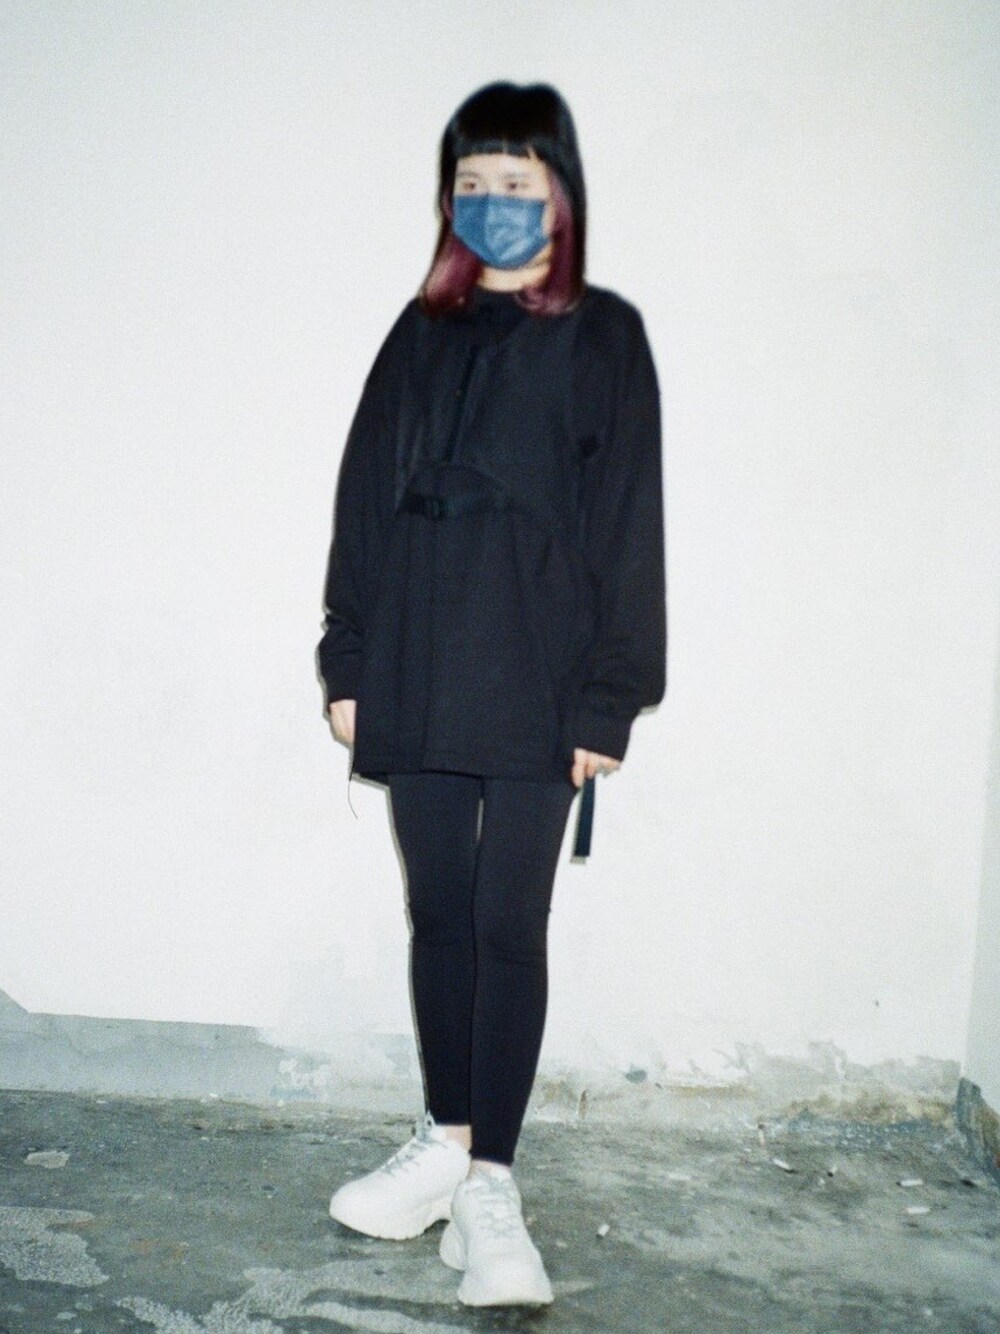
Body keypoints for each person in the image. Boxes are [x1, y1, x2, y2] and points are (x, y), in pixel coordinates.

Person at [316, 81, 665, 1308]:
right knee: (439, 913)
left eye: (517, 183)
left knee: (509, 921)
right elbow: (364, 496)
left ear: (559, 196)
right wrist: (348, 658)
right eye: (473, 184)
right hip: (416, 659)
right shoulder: (420, 332)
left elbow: (628, 525)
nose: (494, 203)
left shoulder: (606, 337)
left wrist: (609, 699)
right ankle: (445, 1144)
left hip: (537, 672)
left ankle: (492, 1189)